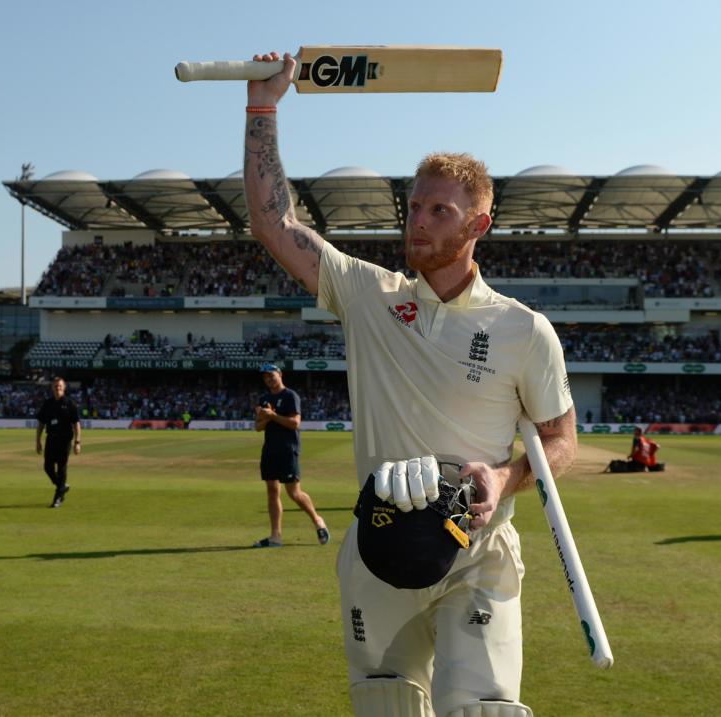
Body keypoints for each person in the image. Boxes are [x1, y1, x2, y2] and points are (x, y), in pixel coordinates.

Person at [244, 51, 577, 717]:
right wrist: (262, 108)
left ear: (479, 226)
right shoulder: (370, 294)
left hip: (475, 550)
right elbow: (272, 224)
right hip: (380, 546)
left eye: (440, 211)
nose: (418, 220)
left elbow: (560, 440)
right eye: (415, 205)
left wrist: (502, 479)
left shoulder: (524, 329)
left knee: (480, 709)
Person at [253, 363, 330, 548]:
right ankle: (275, 536)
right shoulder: (264, 398)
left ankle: (317, 520)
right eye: (265, 377)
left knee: (294, 493)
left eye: (271, 375)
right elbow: (257, 427)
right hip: (270, 450)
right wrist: (263, 416)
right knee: (272, 491)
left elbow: (295, 423)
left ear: (280, 375)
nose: (269, 379)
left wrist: (272, 415)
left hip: (288, 449)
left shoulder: (290, 396)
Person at [35, 377, 81, 508]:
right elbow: (41, 423)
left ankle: (58, 498)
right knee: (47, 467)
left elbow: (76, 424)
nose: (58, 388)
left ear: (64, 387)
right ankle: (62, 486)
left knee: (61, 468)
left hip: (65, 440)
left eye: (60, 386)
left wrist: (77, 442)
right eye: (55, 386)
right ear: (52, 388)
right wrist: (38, 441)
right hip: (51, 439)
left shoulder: (70, 403)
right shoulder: (48, 404)